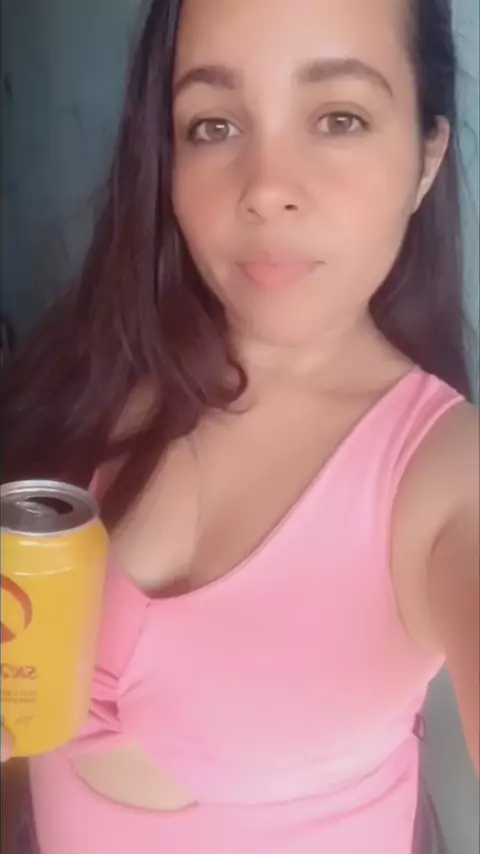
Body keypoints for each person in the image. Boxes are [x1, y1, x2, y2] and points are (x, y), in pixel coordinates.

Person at [1, 0, 478, 851]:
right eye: (214, 125)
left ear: (426, 157)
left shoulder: (444, 475)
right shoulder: (100, 371)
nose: (264, 189)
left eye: (339, 118)